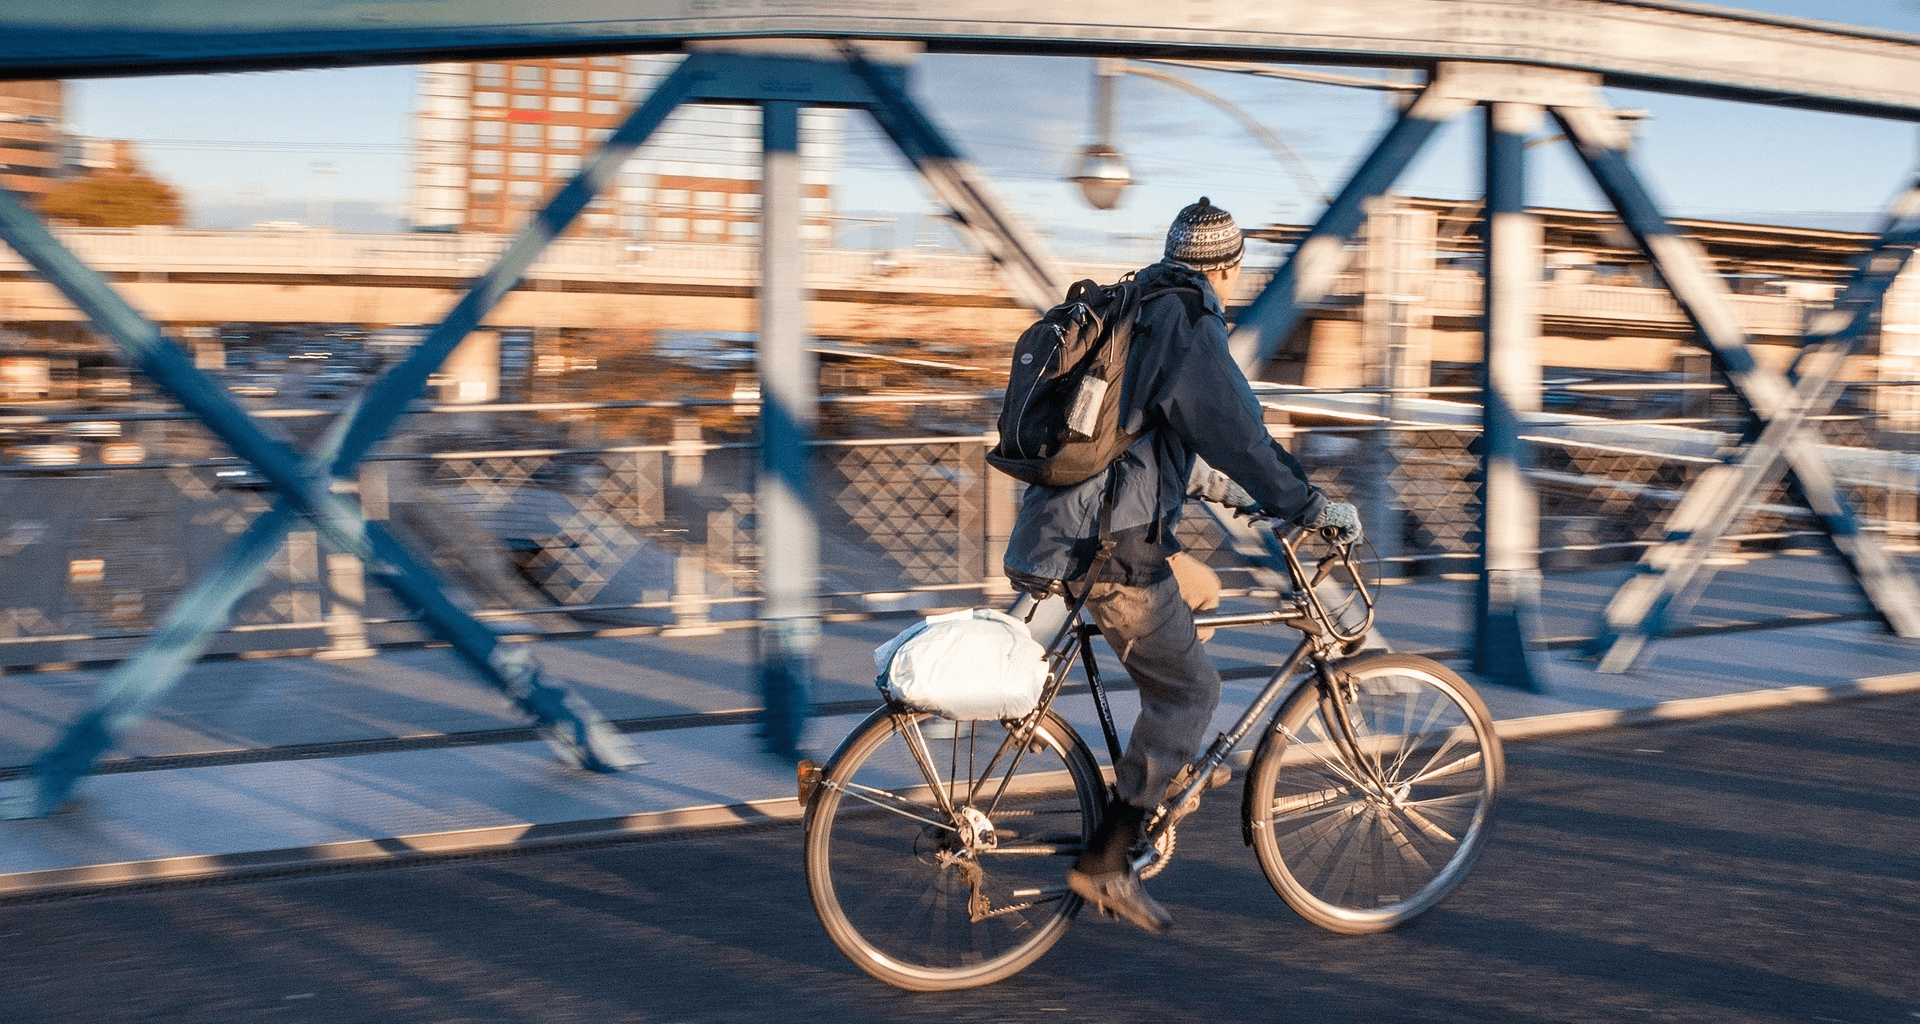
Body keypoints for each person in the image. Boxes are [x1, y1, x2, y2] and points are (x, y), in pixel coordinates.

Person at [1002, 197, 1361, 932]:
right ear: (1228, 267)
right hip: (1110, 547)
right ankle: (1107, 858)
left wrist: (1222, 489)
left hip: (1066, 526)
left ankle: (1166, 771)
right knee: (1191, 693)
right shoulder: (1190, 321)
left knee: (1204, 586)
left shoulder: (1139, 304)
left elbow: (1139, 438)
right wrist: (1307, 503)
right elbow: (1237, 432)